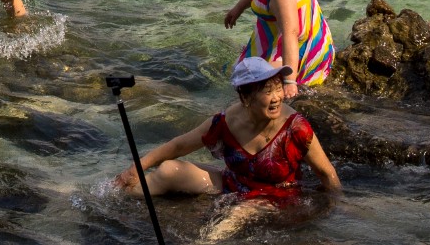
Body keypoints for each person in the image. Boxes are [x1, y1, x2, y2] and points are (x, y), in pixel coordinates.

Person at [115, 58, 339, 233]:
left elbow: (327, 174)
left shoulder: (296, 127)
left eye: (278, 88)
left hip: (276, 197)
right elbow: (179, 145)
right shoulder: (226, 121)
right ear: (246, 98)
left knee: (235, 214)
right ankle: (115, 196)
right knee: (168, 170)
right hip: (233, 184)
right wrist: (136, 168)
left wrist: (335, 212)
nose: (277, 97)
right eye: (267, 91)